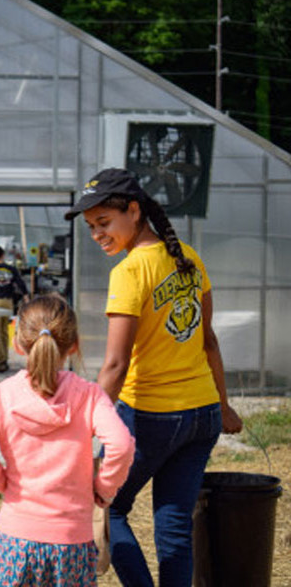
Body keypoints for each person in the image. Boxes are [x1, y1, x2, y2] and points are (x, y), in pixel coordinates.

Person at [64, 167, 243, 587]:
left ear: (133, 209)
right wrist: (223, 403)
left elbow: (115, 365)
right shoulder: (189, 258)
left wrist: (80, 426)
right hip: (201, 416)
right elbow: (208, 341)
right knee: (175, 525)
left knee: (111, 508)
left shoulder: (129, 273)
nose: (97, 235)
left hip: (152, 417)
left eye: (104, 223)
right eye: (91, 227)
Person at [0, 294, 135, 587]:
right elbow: (122, 444)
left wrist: (1, 481)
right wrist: (104, 490)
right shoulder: (90, 395)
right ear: (75, 345)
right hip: (72, 542)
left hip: (16, 539)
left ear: (18, 344)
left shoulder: (0, 395)